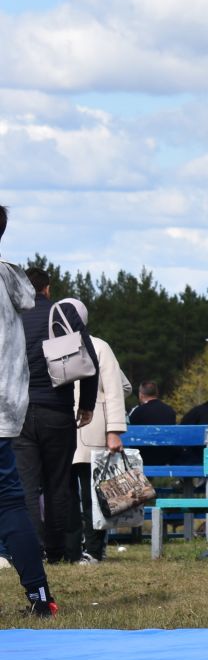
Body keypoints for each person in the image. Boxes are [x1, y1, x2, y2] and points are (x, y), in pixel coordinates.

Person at [17, 268, 98, 567]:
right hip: (58, 410)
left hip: (19, 413)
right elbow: (90, 360)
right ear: (47, 289)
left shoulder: (11, 315)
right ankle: (57, 551)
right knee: (58, 483)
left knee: (25, 484)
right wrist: (86, 405)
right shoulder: (61, 313)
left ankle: (30, 550)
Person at [0, 206, 56, 616]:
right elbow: (28, 297)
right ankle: (38, 597)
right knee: (10, 503)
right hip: (6, 408)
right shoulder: (9, 278)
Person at [64, 301, 128, 563]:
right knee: (67, 494)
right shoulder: (97, 347)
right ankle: (73, 549)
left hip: (90, 430)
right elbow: (123, 387)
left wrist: (113, 429)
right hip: (70, 430)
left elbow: (117, 388)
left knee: (93, 495)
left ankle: (93, 548)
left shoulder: (99, 347)